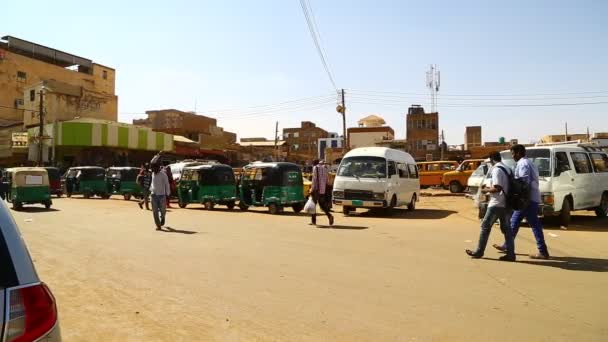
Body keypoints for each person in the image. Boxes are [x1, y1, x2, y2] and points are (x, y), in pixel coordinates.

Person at [494, 144, 550, 259]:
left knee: (528, 224)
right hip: (529, 198)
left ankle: (543, 251)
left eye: (513, 154)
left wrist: (511, 185)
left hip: (526, 200)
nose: (513, 156)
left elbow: (524, 182)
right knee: (516, 223)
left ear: (519, 153)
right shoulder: (527, 163)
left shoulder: (523, 164)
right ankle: (507, 245)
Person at [466, 152, 515, 261]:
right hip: (507, 203)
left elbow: (497, 188)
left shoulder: (497, 169)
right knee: (507, 230)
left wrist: (484, 190)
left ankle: (479, 251)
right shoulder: (507, 168)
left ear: (492, 159)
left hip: (497, 203)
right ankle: (511, 254)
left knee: (485, 227)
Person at [310, 159, 334, 226]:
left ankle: (313, 221)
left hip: (316, 190)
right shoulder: (325, 168)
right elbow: (326, 180)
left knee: (313, 205)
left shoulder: (315, 168)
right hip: (322, 190)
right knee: (322, 205)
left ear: (314, 164)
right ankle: (329, 216)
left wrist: (312, 189)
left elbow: (314, 179)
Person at [150, 163, 171, 230]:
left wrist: (168, 193)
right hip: (154, 195)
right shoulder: (153, 174)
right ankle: (158, 225)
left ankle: (163, 217)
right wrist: (151, 189)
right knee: (155, 211)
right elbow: (152, 183)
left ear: (158, 168)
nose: (153, 170)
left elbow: (167, 184)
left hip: (162, 195)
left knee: (163, 210)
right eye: (152, 169)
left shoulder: (163, 174)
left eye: (154, 169)